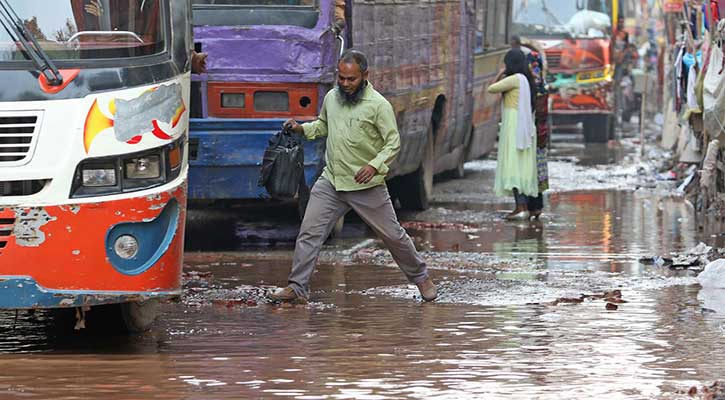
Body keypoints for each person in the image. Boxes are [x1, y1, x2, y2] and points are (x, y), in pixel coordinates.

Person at [269, 49, 437, 304]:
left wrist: (374, 165)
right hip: (332, 181)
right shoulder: (331, 98)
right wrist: (302, 129)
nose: (345, 84)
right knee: (309, 233)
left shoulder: (379, 105)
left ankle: (422, 277)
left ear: (365, 76)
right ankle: (297, 287)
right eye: (342, 78)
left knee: (393, 235)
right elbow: (323, 125)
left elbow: (392, 143)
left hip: (366, 185)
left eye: (352, 79)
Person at [488, 49, 539, 220]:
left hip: (513, 125)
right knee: (520, 167)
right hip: (524, 126)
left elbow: (491, 88)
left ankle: (521, 207)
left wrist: (500, 73)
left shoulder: (514, 79)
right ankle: (522, 206)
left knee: (513, 165)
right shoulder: (527, 80)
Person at [511, 35, 549, 220]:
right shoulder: (539, 87)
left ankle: (525, 206)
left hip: (530, 131)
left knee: (525, 167)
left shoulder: (524, 85)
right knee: (536, 167)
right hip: (539, 130)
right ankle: (536, 207)